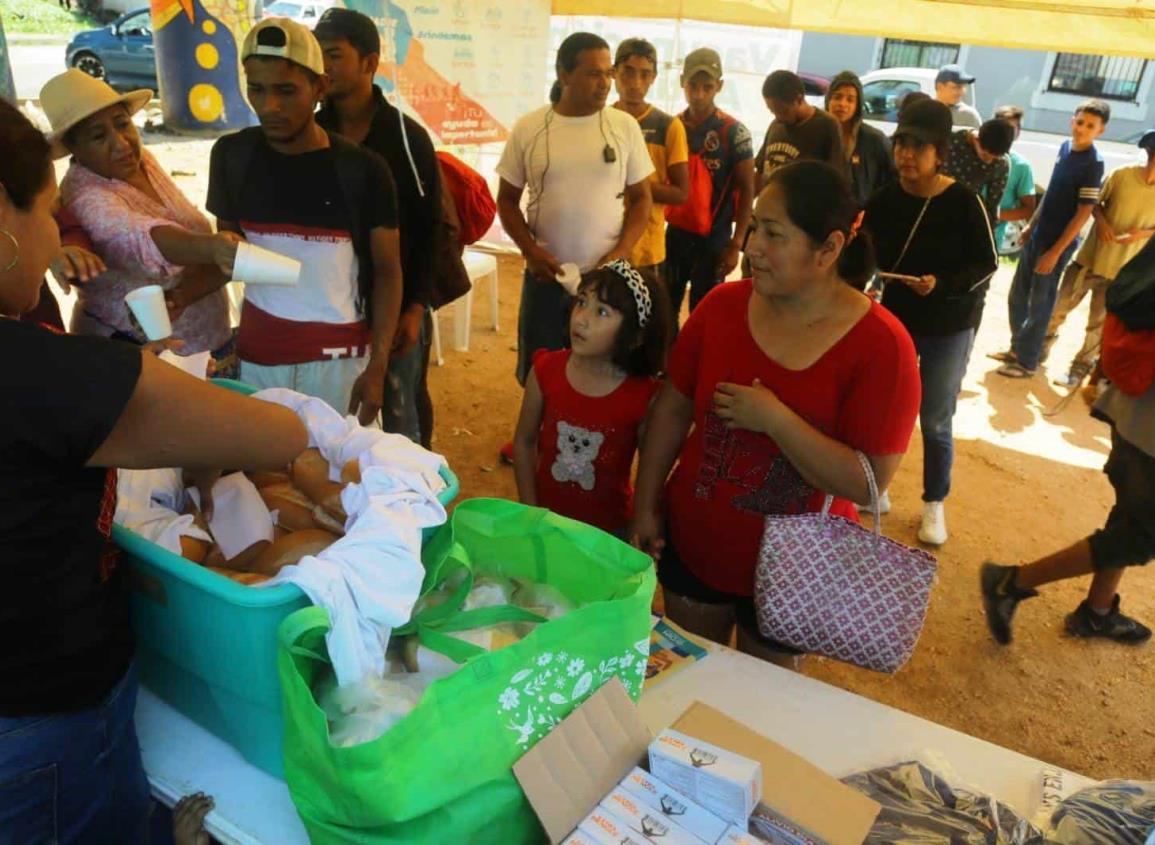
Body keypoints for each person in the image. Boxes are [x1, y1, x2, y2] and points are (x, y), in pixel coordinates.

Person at [0, 98, 309, 842]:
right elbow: (278, 432)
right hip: (45, 724)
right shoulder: (43, 376)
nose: (52, 238)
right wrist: (142, 385)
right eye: (44, 213)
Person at [630, 160, 920, 666]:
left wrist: (776, 419)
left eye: (773, 234)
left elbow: (867, 481)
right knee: (688, 681)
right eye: (754, 226)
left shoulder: (883, 347)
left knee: (759, 708)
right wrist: (646, 503)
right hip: (697, 545)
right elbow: (673, 409)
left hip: (796, 573)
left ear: (828, 249)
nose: (752, 247)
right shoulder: (720, 307)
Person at [206, 17, 403, 425]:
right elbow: (229, 255)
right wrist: (174, 296)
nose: (269, 107)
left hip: (340, 369)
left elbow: (387, 272)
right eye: (256, 89)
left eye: (286, 91)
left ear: (319, 88)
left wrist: (378, 367)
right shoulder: (232, 157)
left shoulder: (364, 170)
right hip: (260, 362)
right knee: (264, 481)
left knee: (339, 480)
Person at [41, 70, 240, 375]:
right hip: (144, 354)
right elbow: (145, 237)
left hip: (207, 342)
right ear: (74, 148)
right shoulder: (84, 195)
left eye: (122, 124)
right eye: (98, 136)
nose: (121, 143)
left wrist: (188, 290)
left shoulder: (142, 160)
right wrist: (212, 247)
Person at [863, 99, 997, 546]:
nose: (906, 155)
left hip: (949, 325)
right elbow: (865, 251)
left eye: (919, 147)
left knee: (936, 418)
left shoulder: (963, 201)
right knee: (884, 407)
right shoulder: (884, 198)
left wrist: (941, 284)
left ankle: (934, 503)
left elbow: (988, 262)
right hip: (895, 323)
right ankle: (875, 490)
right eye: (902, 143)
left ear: (940, 154)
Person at [496, 33, 653, 387]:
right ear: (563, 74)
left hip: (606, 280)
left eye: (608, 73)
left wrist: (619, 254)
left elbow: (642, 198)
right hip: (546, 278)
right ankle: (536, 440)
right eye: (593, 74)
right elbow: (506, 199)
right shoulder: (531, 128)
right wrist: (530, 251)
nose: (605, 84)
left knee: (603, 372)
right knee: (540, 371)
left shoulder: (623, 127)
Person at [315, 7, 442, 444]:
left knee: (400, 406)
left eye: (333, 55)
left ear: (369, 63)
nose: (323, 67)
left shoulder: (407, 140)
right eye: (317, 56)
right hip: (330, 304)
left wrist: (414, 307)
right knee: (339, 410)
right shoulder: (309, 134)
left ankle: (420, 495)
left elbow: (432, 229)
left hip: (397, 300)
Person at [981, 379, 1154, 645]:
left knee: (1131, 519)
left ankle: (1098, 612)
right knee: (1140, 537)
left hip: (1135, 413)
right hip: (1147, 433)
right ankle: (1008, 583)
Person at [512, 260, 669, 535]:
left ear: (634, 336)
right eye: (582, 301)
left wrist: (641, 521)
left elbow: (649, 469)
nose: (582, 318)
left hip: (609, 534)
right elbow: (524, 442)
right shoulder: (545, 371)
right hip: (545, 523)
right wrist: (530, 509)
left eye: (602, 312)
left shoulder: (644, 397)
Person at [992, 99, 1109, 379]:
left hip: (1058, 243)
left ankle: (1028, 362)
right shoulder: (1065, 149)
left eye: (1090, 126)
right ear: (1072, 121)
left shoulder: (1093, 163)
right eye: (1080, 122)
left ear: (1100, 131)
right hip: (1038, 236)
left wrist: (1056, 252)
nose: (1082, 129)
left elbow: (1084, 212)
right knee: (1018, 294)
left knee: (1040, 302)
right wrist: (1030, 227)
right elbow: (1052, 194)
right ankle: (1016, 349)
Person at [1041, 130, 1155, 388]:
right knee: (1058, 308)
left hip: (1123, 273)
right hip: (1090, 260)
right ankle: (1039, 351)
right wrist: (1102, 223)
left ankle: (1079, 369)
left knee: (1098, 326)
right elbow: (1093, 203)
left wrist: (1142, 233)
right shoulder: (1122, 176)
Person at [664, 47, 755, 319]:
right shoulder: (673, 126)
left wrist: (736, 245)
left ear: (719, 86)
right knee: (666, 305)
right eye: (693, 85)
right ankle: (666, 360)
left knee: (705, 312)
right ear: (682, 82)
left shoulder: (734, 131)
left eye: (708, 86)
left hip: (715, 239)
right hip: (676, 234)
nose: (699, 93)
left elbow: (748, 189)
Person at [611, 37, 690, 289]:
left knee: (642, 323)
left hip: (646, 248)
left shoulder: (668, 126)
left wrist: (633, 183)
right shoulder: (600, 119)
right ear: (614, 73)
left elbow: (681, 193)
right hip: (603, 243)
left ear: (654, 78)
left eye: (645, 75)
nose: (636, 83)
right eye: (628, 72)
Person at [755, 69, 843, 187]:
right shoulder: (776, 125)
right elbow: (760, 172)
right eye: (772, 111)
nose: (778, 117)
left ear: (799, 99)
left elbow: (835, 180)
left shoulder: (827, 126)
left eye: (783, 111)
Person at [824, 70, 895, 205]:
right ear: (828, 100)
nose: (842, 104)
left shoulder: (874, 139)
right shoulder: (817, 134)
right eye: (837, 97)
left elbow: (892, 180)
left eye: (850, 99)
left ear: (858, 105)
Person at [943, 118, 1014, 227]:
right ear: (976, 139)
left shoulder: (1001, 164)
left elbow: (992, 207)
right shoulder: (948, 138)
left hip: (963, 218)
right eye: (985, 156)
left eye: (994, 158)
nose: (989, 161)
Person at [992, 105, 1037, 256]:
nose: (1005, 133)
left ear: (1018, 133)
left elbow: (1028, 209)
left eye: (1011, 128)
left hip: (991, 239)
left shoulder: (1021, 166)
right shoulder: (975, 156)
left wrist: (994, 214)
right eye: (1001, 127)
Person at [934, 64, 982, 129]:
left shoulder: (968, 116)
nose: (962, 92)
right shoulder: (924, 111)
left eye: (964, 87)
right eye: (957, 87)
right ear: (940, 86)